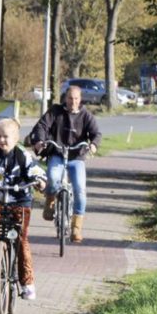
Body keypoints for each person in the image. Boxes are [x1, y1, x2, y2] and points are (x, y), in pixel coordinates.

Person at [0, 118, 46, 300]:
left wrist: (39, 181)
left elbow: (35, 170)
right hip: (0, 200)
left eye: (6, 137)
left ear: (15, 138)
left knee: (21, 240)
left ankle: (27, 283)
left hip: (20, 202)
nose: (2, 140)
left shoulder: (22, 156)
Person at [28, 84, 102, 243]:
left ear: (80, 99)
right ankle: (50, 200)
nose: (73, 102)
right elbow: (42, 126)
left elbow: (96, 133)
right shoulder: (55, 111)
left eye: (76, 98)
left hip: (77, 157)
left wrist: (94, 144)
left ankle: (76, 227)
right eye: (70, 98)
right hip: (57, 154)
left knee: (80, 189)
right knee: (53, 178)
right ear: (65, 98)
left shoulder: (86, 115)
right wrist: (40, 141)